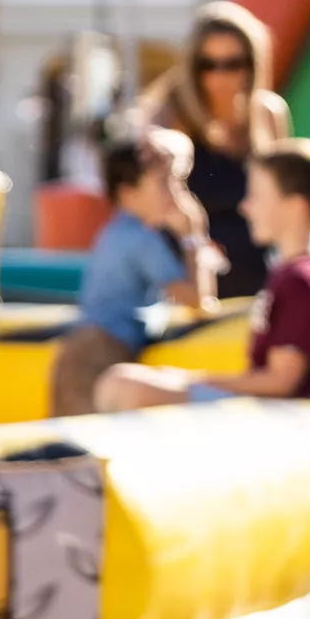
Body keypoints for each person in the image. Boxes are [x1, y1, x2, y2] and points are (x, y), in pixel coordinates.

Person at [95, 140, 310, 409]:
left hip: (289, 416)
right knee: (122, 382)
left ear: (295, 206)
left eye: (257, 197)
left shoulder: (302, 278)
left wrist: (191, 380)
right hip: (275, 409)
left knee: (124, 387)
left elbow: (281, 381)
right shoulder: (294, 272)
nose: (245, 207)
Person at [49, 129, 215, 417]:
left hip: (81, 349)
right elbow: (199, 300)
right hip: (102, 353)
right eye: (164, 183)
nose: (176, 194)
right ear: (128, 193)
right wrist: (194, 237)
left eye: (178, 182)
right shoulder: (141, 239)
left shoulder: (116, 230)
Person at [140, 3, 292, 297]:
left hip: (258, 276)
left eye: (233, 63)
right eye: (208, 65)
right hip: (192, 277)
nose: (220, 76)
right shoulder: (172, 111)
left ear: (252, 64)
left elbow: (284, 191)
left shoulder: (268, 113)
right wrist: (168, 146)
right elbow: (154, 165)